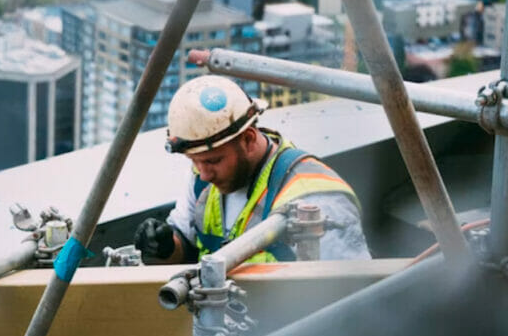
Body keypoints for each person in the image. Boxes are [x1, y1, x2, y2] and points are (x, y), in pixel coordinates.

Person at [134, 75, 370, 264]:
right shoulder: (202, 178)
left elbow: (347, 295)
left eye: (213, 162)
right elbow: (187, 246)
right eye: (195, 161)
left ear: (248, 140)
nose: (204, 173)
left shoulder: (315, 197)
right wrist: (165, 246)